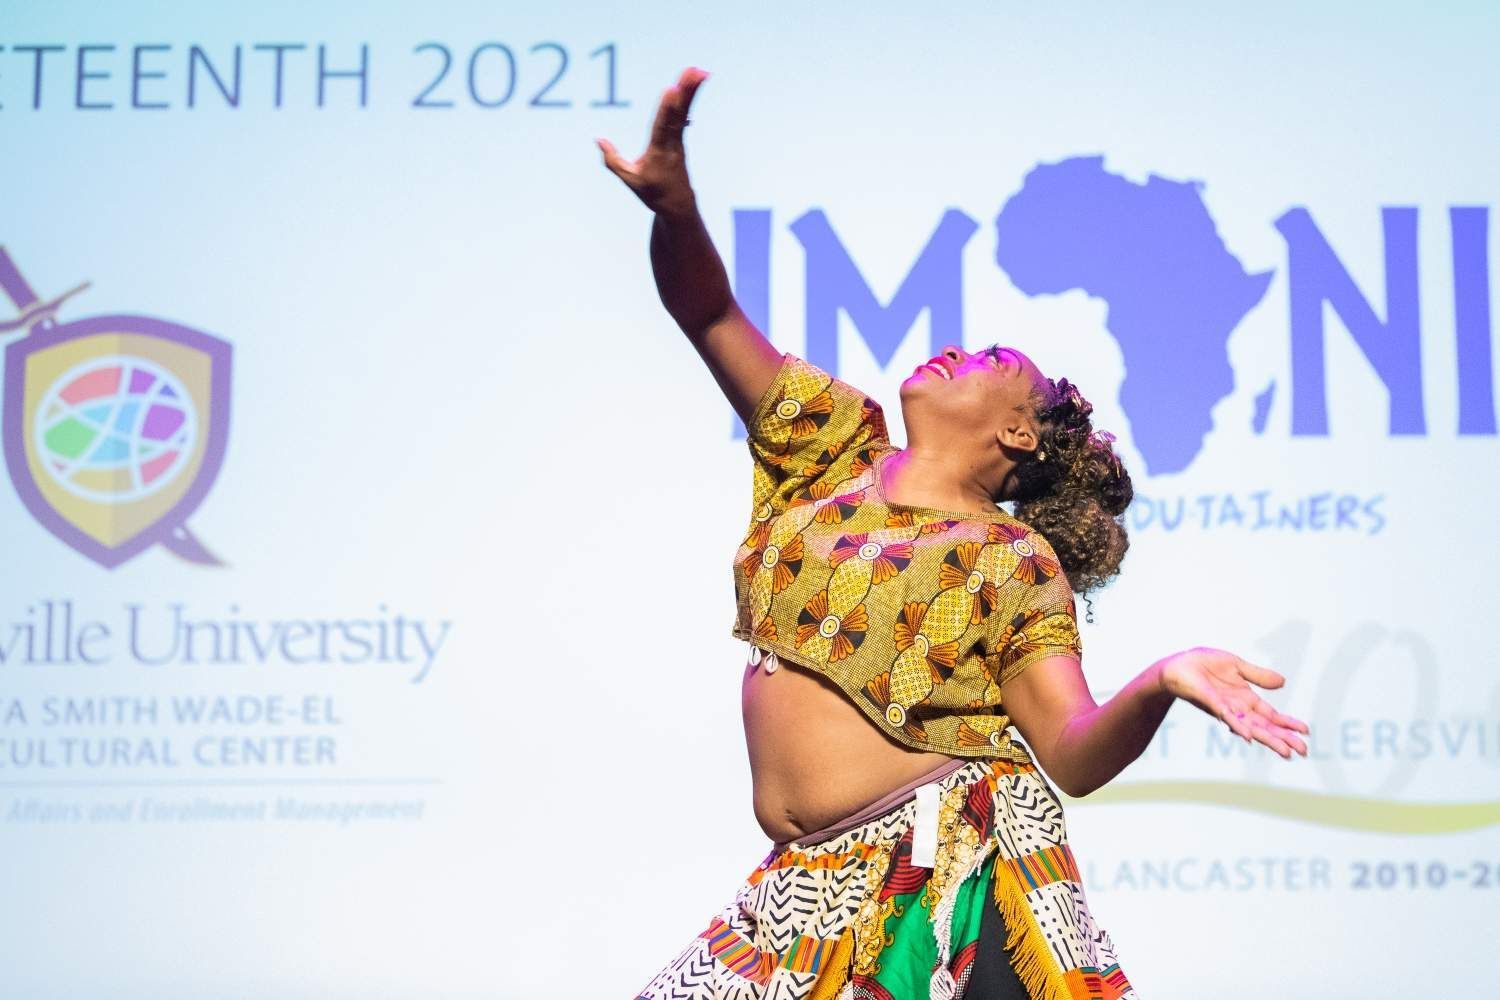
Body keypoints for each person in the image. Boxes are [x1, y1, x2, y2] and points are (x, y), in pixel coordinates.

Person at [598, 68, 1310, 1000]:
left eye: (992, 362)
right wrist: (676, 212)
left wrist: (1160, 680)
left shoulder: (1009, 560)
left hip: (947, 869)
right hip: (806, 891)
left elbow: (1073, 751)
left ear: (1018, 431)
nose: (959, 350)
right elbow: (707, 311)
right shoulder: (826, 451)